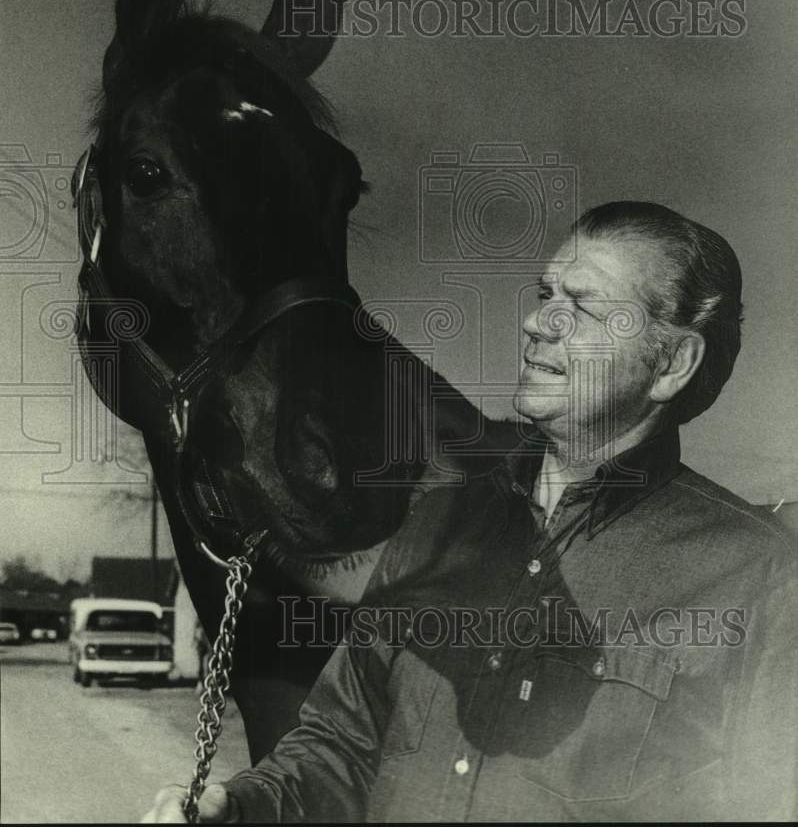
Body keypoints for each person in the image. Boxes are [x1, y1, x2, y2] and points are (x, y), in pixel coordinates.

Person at [145, 201, 797, 822]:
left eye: (584, 306)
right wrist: (241, 806)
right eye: (546, 297)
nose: (538, 322)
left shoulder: (762, 577)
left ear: (673, 362)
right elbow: (342, 746)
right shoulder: (437, 521)